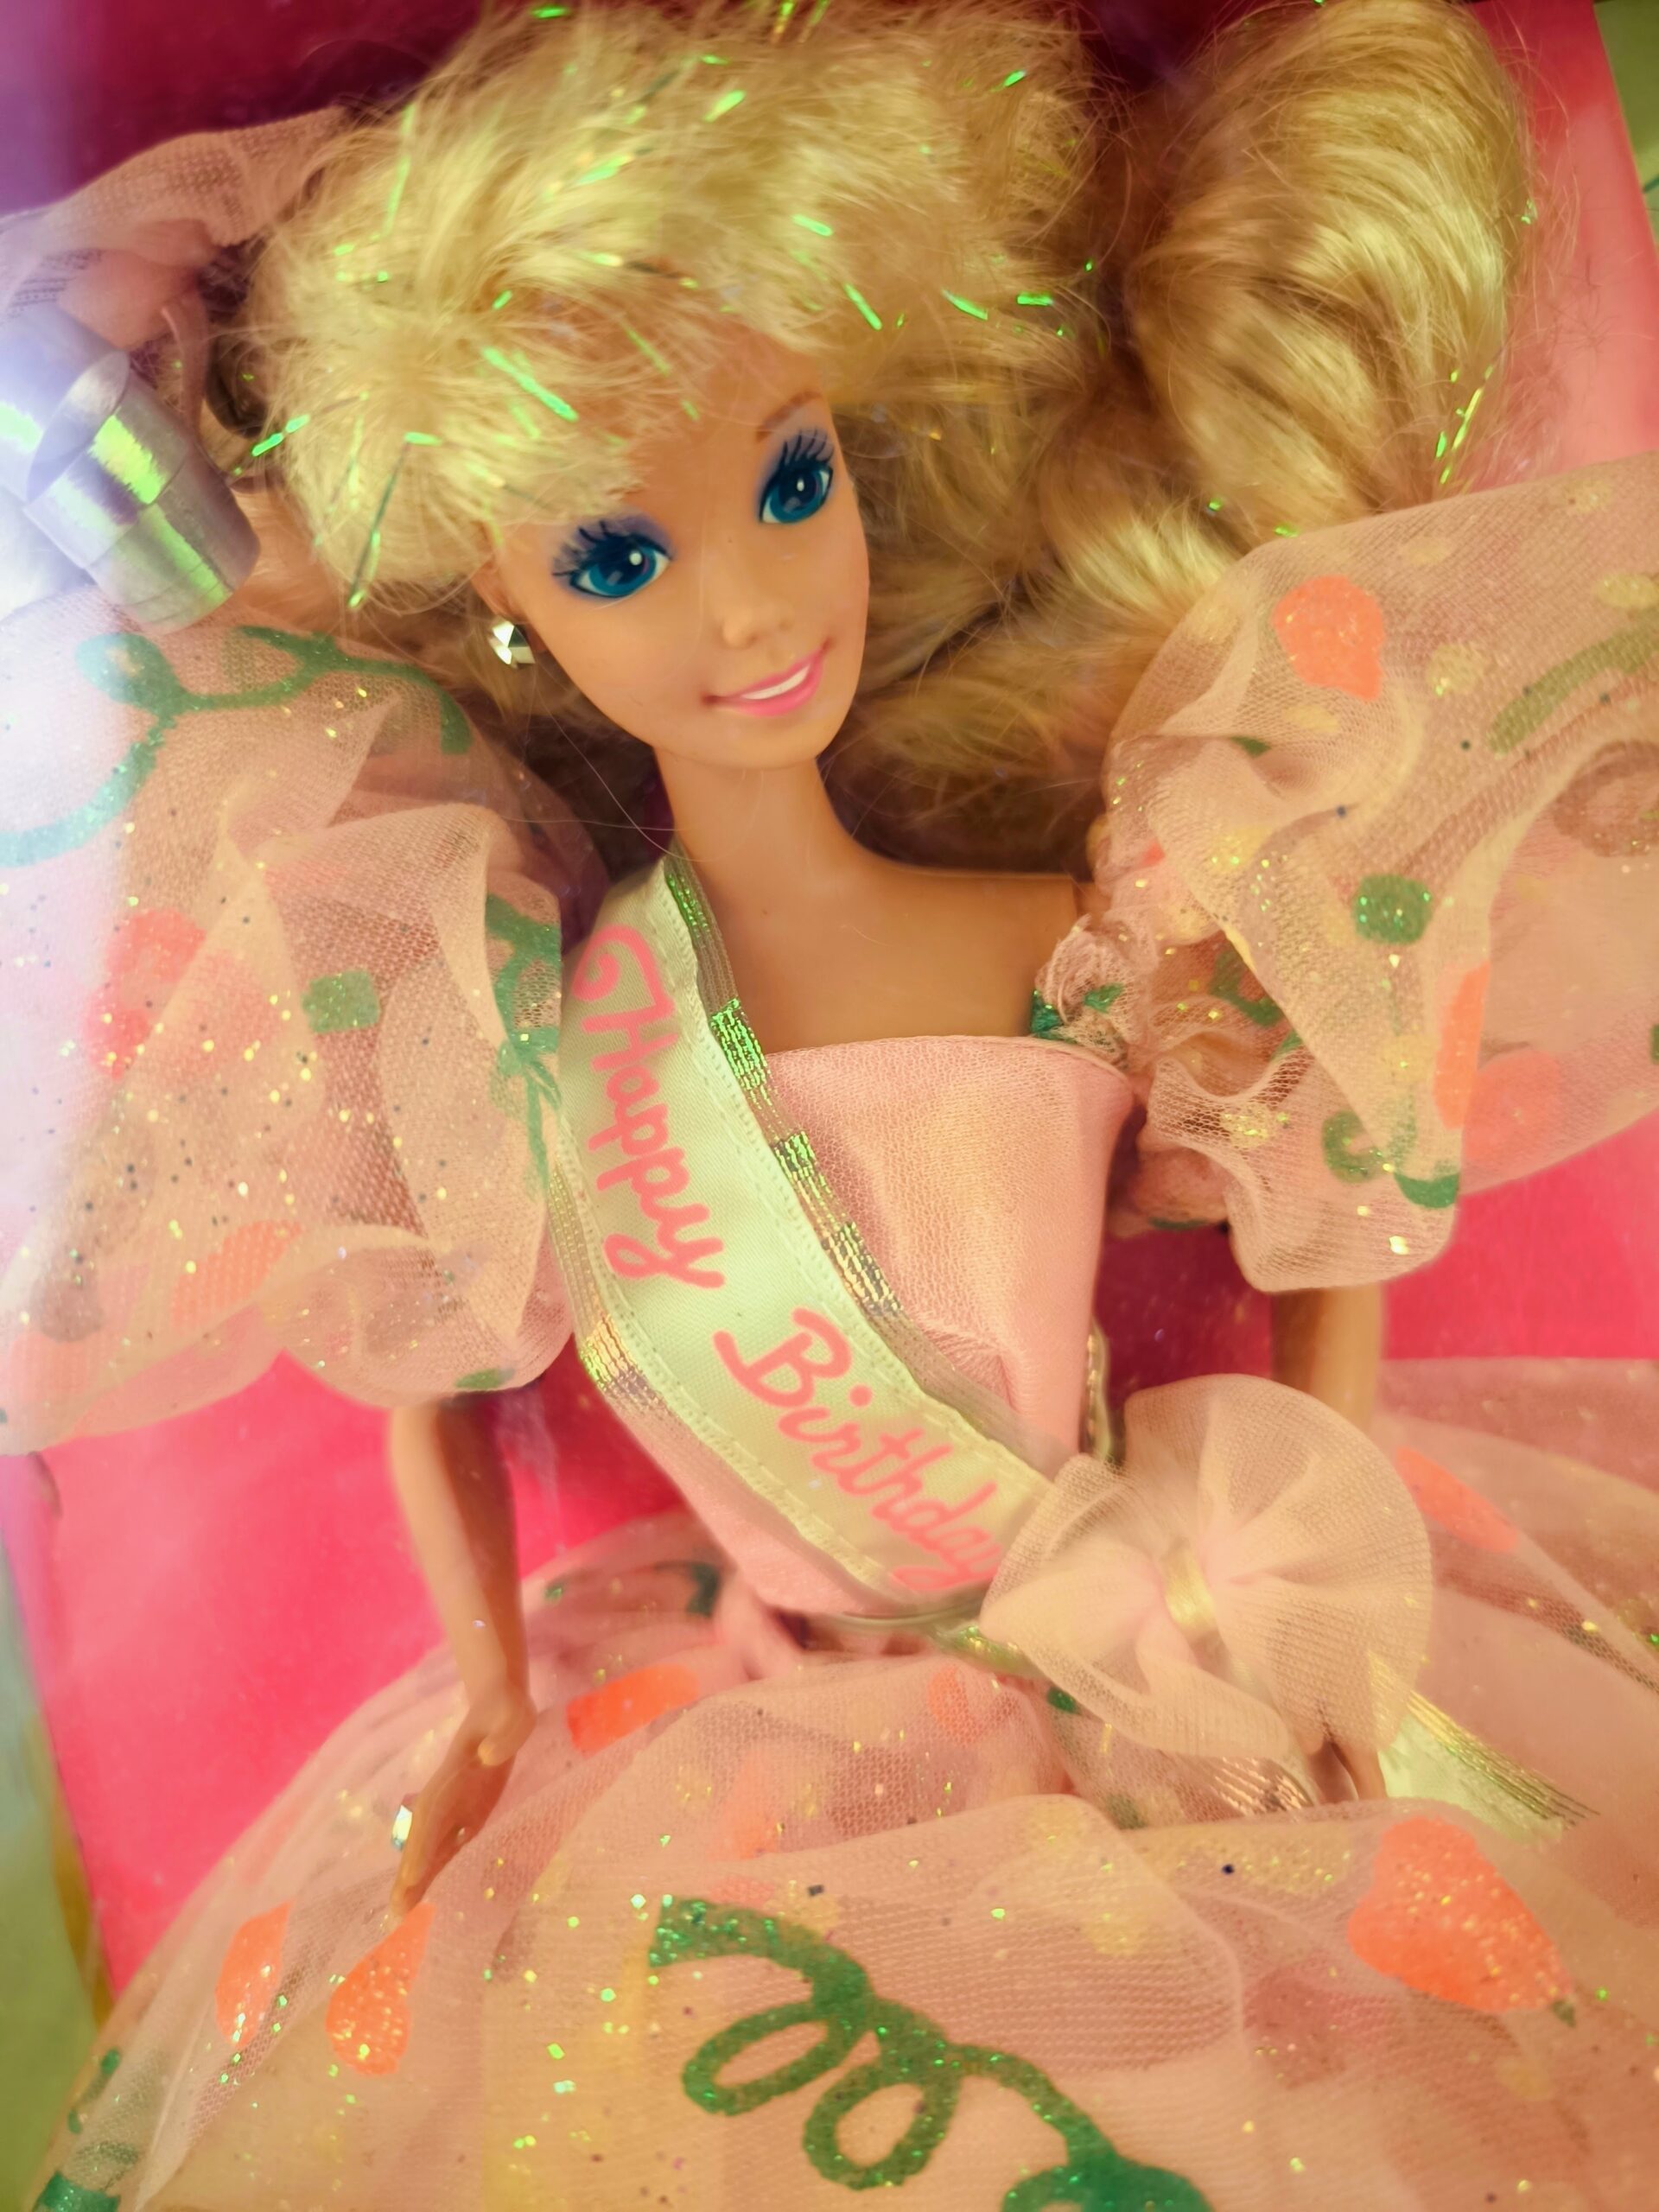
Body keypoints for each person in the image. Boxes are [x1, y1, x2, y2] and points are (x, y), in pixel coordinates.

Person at [4, 2, 1657, 2203]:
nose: (761, 602)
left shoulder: (1063, 930)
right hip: (753, 1724)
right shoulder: (534, 1036)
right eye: (619, 556)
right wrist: (491, 1702)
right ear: (506, 605)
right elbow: (434, 1372)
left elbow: (1314, 1196)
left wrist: (1308, 1578)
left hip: (1138, 1672)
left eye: (794, 482)